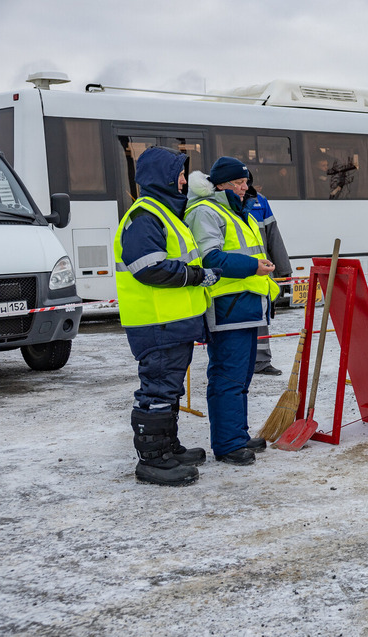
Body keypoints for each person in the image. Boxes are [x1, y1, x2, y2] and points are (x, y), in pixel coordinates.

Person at [114, 146, 221, 487]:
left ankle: (167, 448)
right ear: (161, 177)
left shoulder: (165, 213)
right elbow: (148, 267)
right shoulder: (145, 216)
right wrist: (195, 275)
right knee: (158, 390)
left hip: (172, 322)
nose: (182, 180)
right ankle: (153, 460)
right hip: (156, 322)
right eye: (177, 173)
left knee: (169, 389)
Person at [185, 157, 280, 466]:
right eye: (239, 183)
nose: (245, 188)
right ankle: (227, 444)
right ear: (221, 185)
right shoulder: (206, 212)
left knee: (240, 378)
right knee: (227, 377)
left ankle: (237, 434)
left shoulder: (237, 213)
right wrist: (254, 266)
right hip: (227, 308)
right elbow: (211, 258)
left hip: (246, 306)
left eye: (245, 182)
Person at [243, 175, 292, 376]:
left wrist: (284, 271)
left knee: (261, 318)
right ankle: (240, 363)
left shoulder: (259, 201)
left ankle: (261, 361)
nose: (243, 186)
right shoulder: (216, 205)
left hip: (260, 273)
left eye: (245, 182)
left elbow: (273, 236)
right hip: (233, 274)